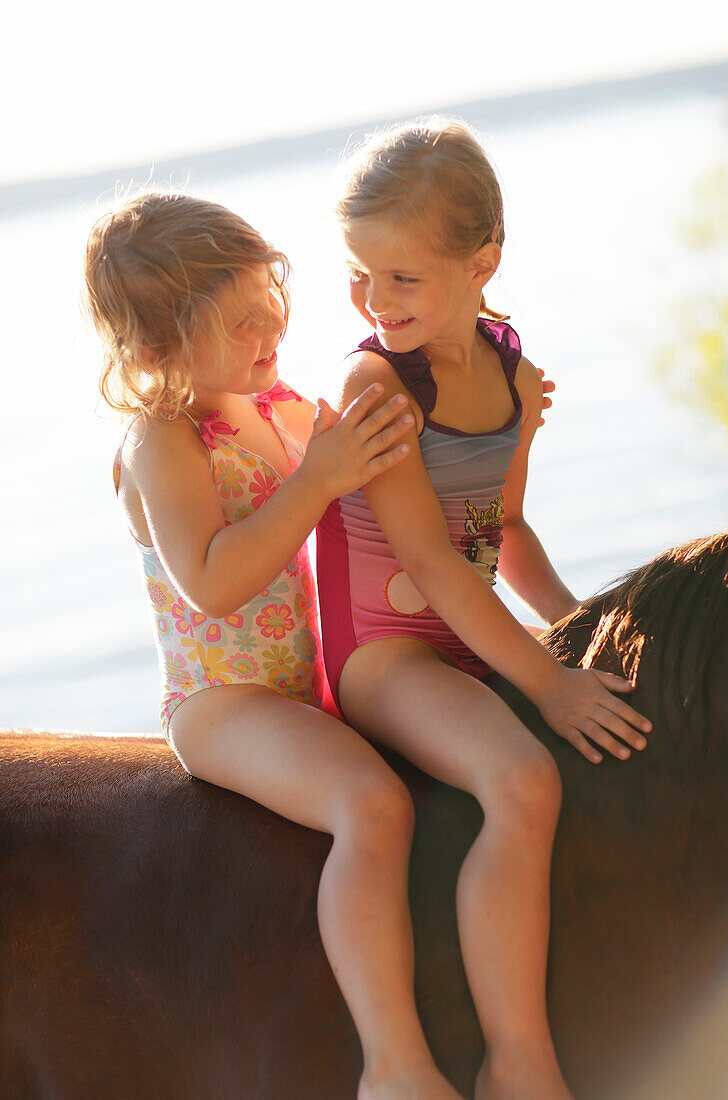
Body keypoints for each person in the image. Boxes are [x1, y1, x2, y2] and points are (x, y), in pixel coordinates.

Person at [83, 190, 469, 1099]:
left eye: (272, 301)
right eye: (242, 320)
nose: (272, 330)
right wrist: (319, 479)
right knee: (371, 806)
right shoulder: (163, 441)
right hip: (223, 699)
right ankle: (394, 1066)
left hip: (316, 678)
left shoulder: (288, 406)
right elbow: (212, 582)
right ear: (152, 349)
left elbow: (382, 505)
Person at [317, 119, 653, 1100]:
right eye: (359, 274)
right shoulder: (376, 380)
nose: (374, 301)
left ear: (483, 263)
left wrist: (581, 621)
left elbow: (501, 528)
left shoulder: (507, 370)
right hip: (385, 658)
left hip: (462, 641)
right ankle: (519, 1058)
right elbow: (430, 557)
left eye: (401, 278)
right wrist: (546, 682)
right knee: (522, 777)